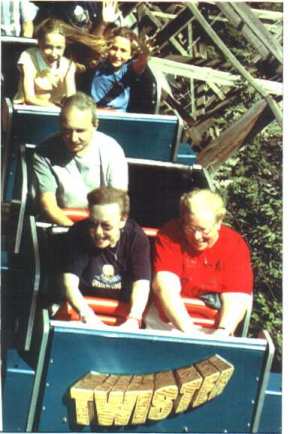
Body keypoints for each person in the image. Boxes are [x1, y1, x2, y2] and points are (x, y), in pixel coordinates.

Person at [146, 189, 253, 337]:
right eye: (190, 228)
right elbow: (165, 286)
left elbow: (236, 297)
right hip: (167, 322)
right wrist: (189, 332)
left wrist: (222, 332)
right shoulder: (170, 234)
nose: (197, 237)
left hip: (213, 326)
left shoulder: (235, 245)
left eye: (204, 230)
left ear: (218, 223)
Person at [61, 187, 151, 330]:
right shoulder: (78, 233)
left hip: (123, 312)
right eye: (93, 223)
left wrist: (134, 319)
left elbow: (141, 284)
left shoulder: (136, 238)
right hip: (83, 309)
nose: (98, 232)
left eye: (106, 226)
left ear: (122, 220)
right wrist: (86, 315)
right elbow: (69, 284)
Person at [33, 92, 128, 226]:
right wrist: (75, 232)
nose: (73, 138)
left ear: (95, 125)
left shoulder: (112, 150)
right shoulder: (44, 152)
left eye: (80, 131)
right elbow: (49, 205)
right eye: (67, 131)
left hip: (102, 225)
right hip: (62, 225)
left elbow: (118, 202)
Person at [14, 18, 76, 107]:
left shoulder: (69, 66)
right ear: (39, 43)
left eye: (59, 48)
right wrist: (54, 108)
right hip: (27, 111)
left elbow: (71, 99)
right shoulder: (28, 57)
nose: (54, 54)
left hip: (56, 115)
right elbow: (29, 98)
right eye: (48, 47)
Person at [90, 26, 151, 112]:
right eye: (114, 48)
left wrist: (145, 54)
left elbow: (140, 63)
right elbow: (94, 43)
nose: (117, 55)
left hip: (116, 117)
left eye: (123, 51)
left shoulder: (128, 70)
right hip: (91, 111)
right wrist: (103, 24)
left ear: (131, 55)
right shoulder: (100, 62)